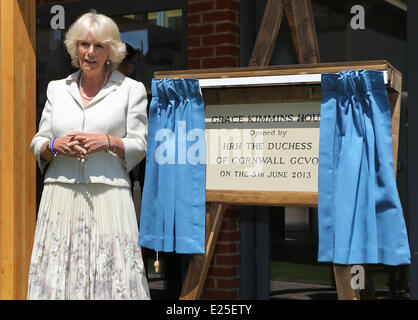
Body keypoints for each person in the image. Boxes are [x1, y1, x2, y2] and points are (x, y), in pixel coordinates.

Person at [27, 12, 150, 300]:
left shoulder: (130, 90)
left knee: (111, 275)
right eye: (84, 44)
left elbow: (139, 145)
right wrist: (56, 145)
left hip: (108, 195)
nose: (90, 53)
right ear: (74, 48)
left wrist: (107, 141)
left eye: (99, 46)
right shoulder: (57, 89)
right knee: (57, 274)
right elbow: (39, 141)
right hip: (59, 195)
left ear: (111, 51)